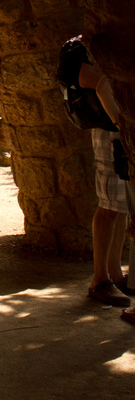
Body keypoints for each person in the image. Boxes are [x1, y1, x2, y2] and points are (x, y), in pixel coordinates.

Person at [60, 38, 131, 307]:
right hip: (111, 134)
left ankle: (115, 273)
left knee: (121, 205)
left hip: (118, 132)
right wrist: (120, 124)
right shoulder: (90, 49)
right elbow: (101, 84)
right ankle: (99, 280)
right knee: (109, 206)